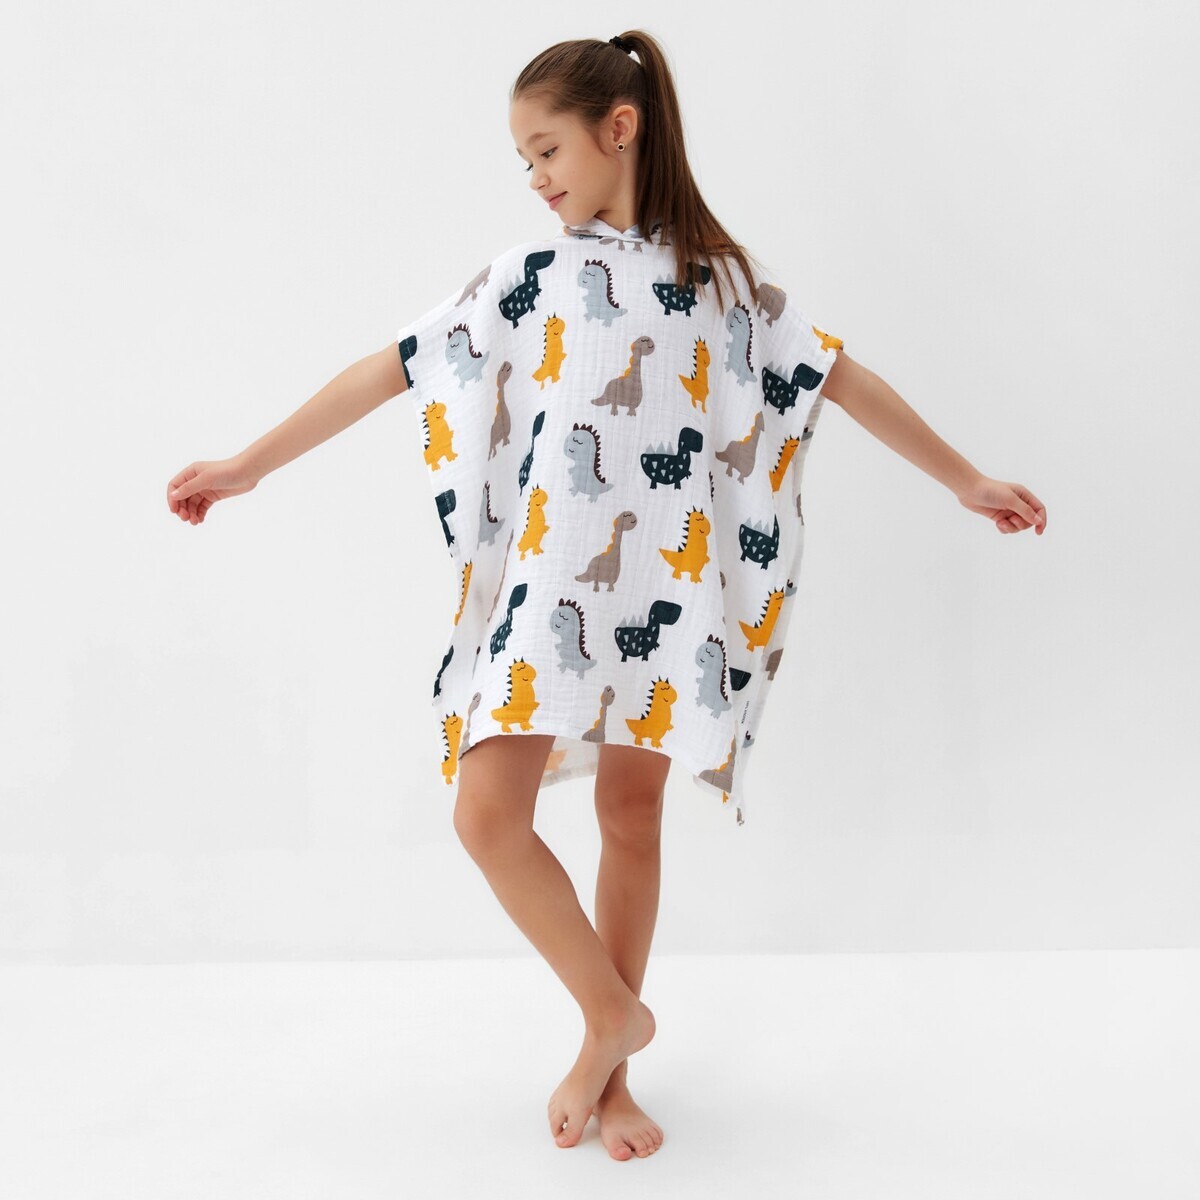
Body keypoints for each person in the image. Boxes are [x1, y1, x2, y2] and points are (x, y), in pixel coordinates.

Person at [166, 30, 1047, 1162]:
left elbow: (838, 377)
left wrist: (966, 479)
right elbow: (391, 366)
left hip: (670, 591)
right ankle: (611, 1013)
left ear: (617, 129)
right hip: (551, 590)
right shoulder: (530, 279)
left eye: (546, 151)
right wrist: (249, 464)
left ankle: (614, 1076)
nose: (535, 178)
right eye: (523, 161)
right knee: (487, 816)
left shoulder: (722, 283)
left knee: (632, 818)